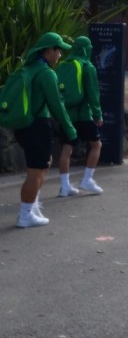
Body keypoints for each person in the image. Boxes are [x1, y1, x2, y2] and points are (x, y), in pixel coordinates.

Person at [13, 32, 77, 228]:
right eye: (58, 51)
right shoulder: (46, 73)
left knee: (44, 164)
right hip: (38, 126)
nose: (60, 55)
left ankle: (32, 207)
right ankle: (25, 214)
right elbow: (57, 105)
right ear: (49, 50)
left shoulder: (30, 68)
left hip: (25, 126)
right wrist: (70, 129)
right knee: (35, 171)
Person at [57, 36, 105, 196]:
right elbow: (93, 94)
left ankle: (65, 186)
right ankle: (87, 179)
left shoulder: (64, 64)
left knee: (66, 149)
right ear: (86, 49)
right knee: (96, 145)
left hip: (67, 115)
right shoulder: (87, 66)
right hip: (84, 115)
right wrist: (98, 115)